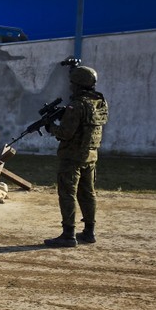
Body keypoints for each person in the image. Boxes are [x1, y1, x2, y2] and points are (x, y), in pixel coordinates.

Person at [44, 65, 109, 247]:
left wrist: (51, 127)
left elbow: (65, 133)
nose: (71, 86)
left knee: (67, 194)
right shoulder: (99, 103)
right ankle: (89, 232)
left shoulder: (77, 105)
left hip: (72, 158)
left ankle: (68, 234)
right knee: (88, 194)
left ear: (79, 84)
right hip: (90, 155)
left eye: (73, 83)